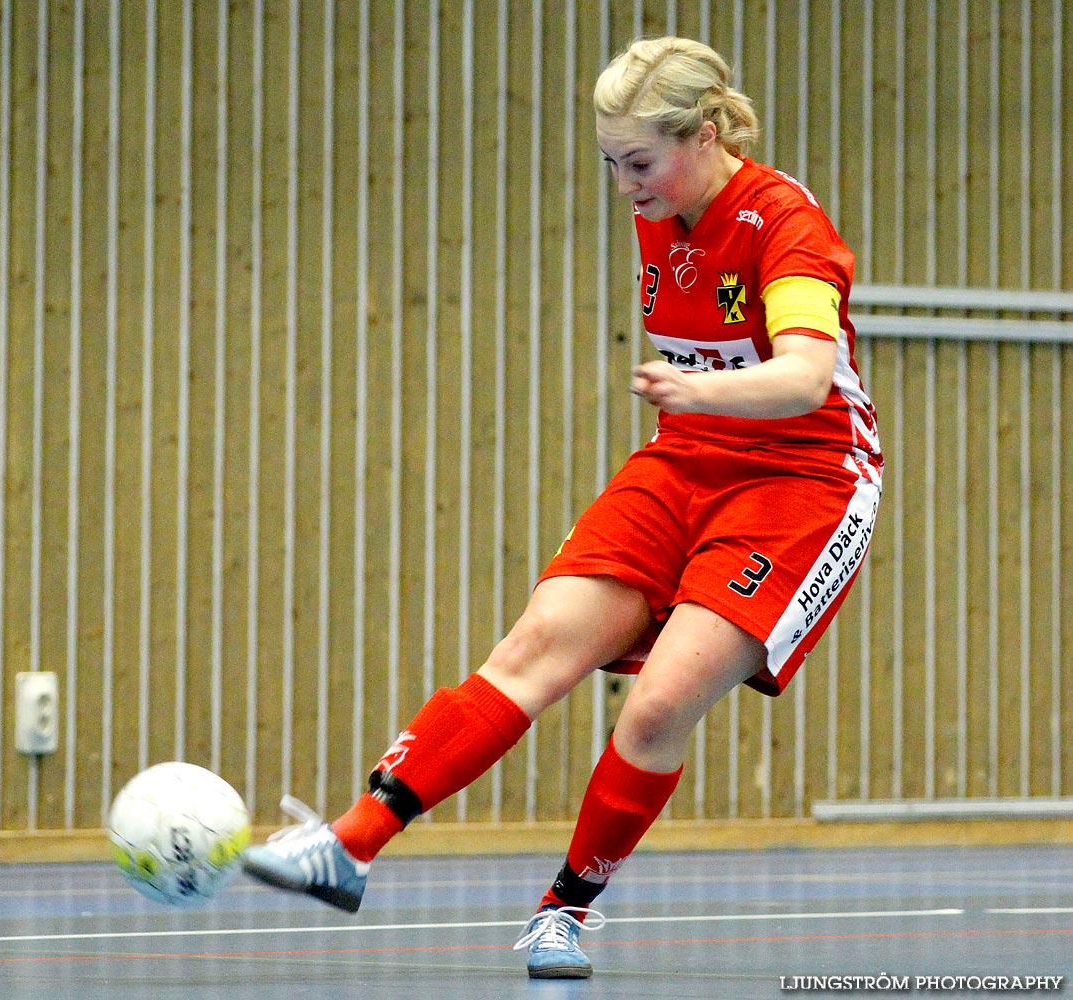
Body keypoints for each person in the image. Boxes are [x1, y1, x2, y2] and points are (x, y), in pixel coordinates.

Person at [242, 35, 882, 980]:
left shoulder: (781, 223)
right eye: (610, 163)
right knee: (536, 646)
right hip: (685, 462)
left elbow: (799, 378)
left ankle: (563, 911)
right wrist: (692, 414)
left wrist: (698, 391)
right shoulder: (662, 207)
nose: (624, 186)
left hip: (801, 480)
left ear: (705, 136)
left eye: (638, 162)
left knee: (659, 704)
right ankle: (347, 845)